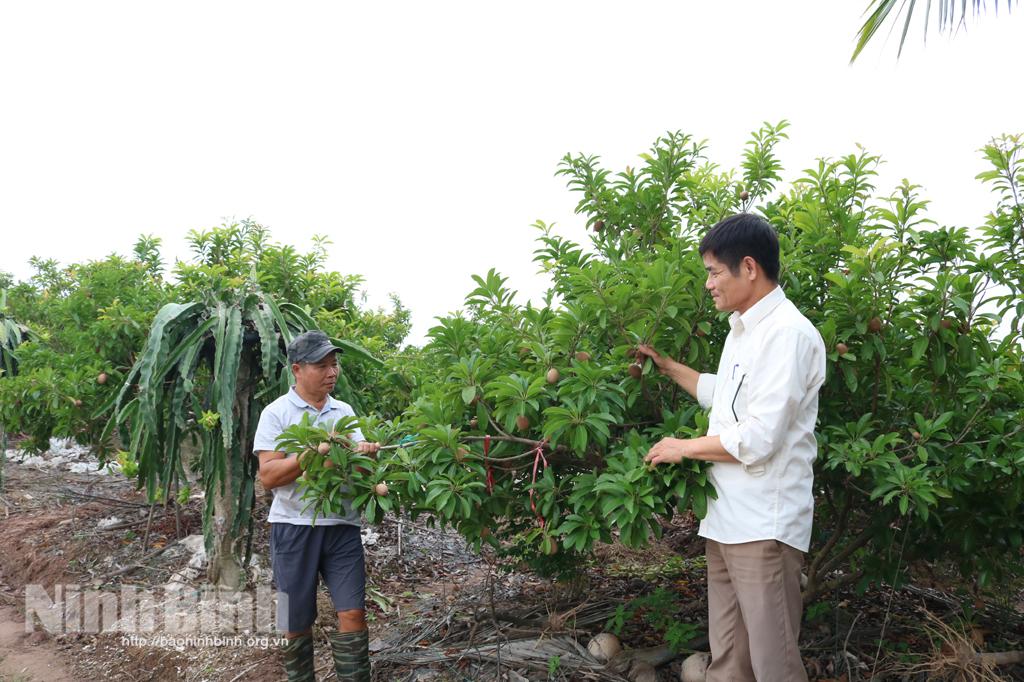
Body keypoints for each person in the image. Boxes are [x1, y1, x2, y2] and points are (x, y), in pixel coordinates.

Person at [640, 213, 825, 681]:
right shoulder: (744, 330)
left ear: (748, 267)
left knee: (773, 662)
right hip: (725, 522)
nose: (709, 284)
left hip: (763, 526)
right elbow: (725, 394)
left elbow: (759, 437)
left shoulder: (788, 334)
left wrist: (685, 447)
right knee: (729, 660)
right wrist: (668, 367)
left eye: (713, 272)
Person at [254, 330, 380, 682]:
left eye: (334, 364)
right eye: (322, 365)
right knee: (294, 624)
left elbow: (354, 466)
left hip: (342, 526)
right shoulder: (275, 413)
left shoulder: (344, 411)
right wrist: (311, 454)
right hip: (293, 527)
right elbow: (268, 475)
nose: (332, 372)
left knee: (353, 614)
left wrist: (365, 453)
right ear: (297, 369)